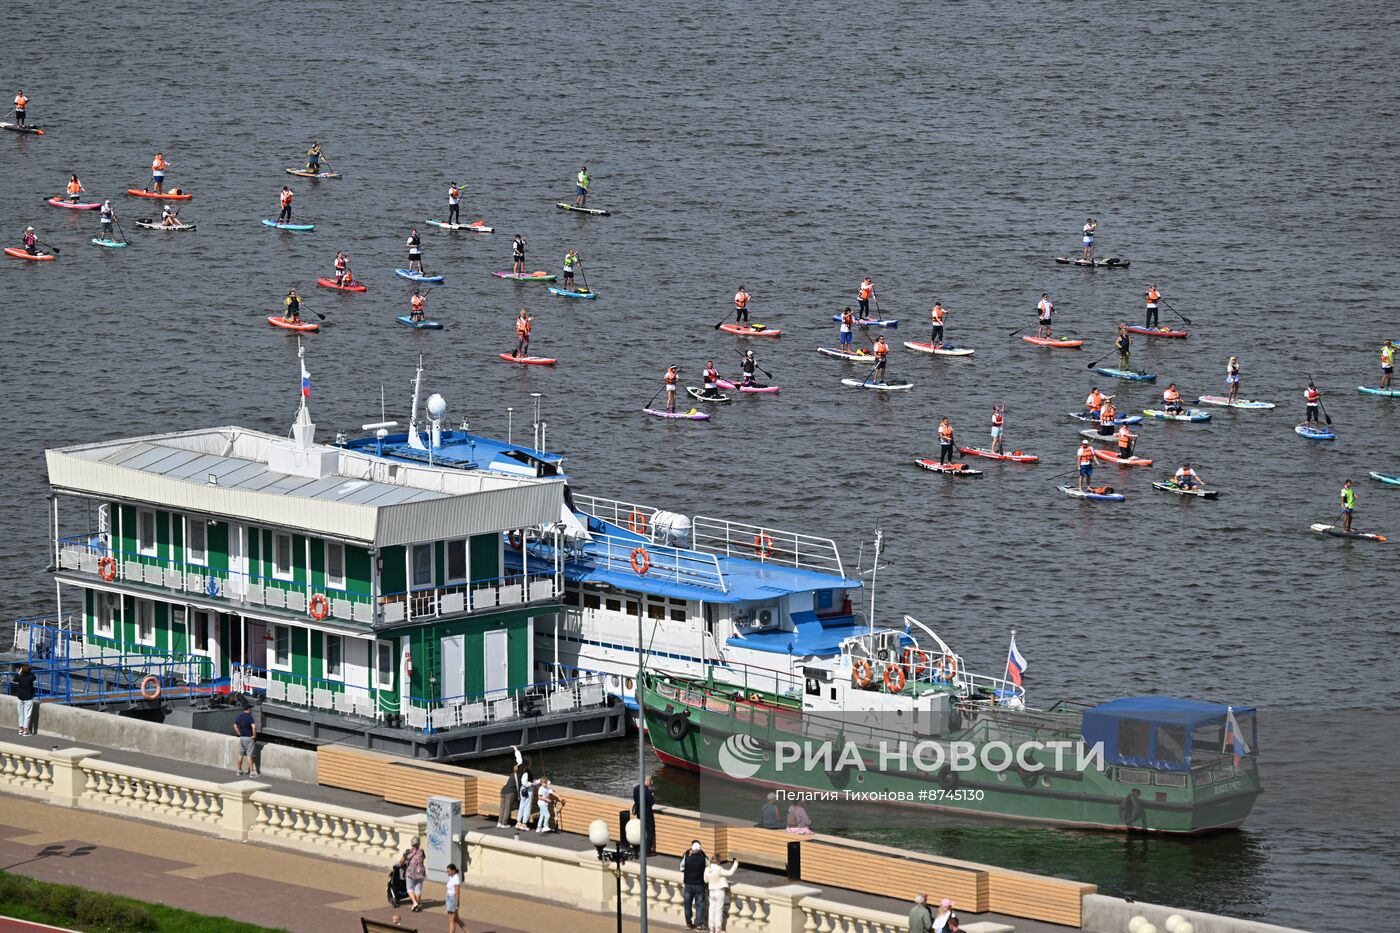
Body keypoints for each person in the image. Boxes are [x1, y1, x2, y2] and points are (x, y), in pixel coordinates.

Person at [704, 855, 740, 933]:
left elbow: (705, 880)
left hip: (711, 891)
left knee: (711, 910)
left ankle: (711, 929)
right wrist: (736, 863)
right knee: (718, 911)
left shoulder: (707, 869)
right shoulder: (718, 868)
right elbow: (730, 873)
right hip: (719, 891)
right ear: (717, 861)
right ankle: (717, 930)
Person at [679, 840, 708, 930]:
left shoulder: (686, 856)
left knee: (687, 905)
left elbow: (681, 868)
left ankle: (688, 924)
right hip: (699, 884)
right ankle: (699, 924)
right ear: (699, 849)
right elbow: (708, 866)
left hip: (688, 884)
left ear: (691, 848)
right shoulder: (703, 857)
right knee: (699, 905)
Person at [497, 746, 525, 828]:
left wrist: (515, 749)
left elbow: (519, 760)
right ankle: (504, 824)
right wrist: (516, 750)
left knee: (502, 807)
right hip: (510, 792)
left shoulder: (513, 774)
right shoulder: (520, 775)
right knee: (507, 808)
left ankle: (499, 822)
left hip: (503, 790)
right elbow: (520, 760)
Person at [400, 836, 427, 912]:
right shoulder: (421, 852)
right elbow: (422, 861)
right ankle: (417, 905)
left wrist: (403, 864)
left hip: (410, 872)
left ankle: (415, 903)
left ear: (411, 844)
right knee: (418, 889)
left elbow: (401, 861)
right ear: (419, 843)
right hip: (420, 871)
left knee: (410, 888)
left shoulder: (407, 852)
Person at [631, 776, 656, 855]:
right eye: (650, 782)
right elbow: (652, 802)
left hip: (639, 812)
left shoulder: (636, 788)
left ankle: (640, 848)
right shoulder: (647, 791)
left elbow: (635, 799)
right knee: (650, 831)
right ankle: (647, 852)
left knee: (641, 830)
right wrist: (652, 795)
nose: (651, 783)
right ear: (648, 781)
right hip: (647, 813)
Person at [233, 703, 258, 776]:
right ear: (249, 709)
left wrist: (239, 733)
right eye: (251, 708)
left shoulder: (240, 716)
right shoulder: (249, 717)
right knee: (249, 755)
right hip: (249, 738)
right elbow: (254, 726)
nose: (252, 710)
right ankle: (252, 772)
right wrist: (254, 735)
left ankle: (238, 770)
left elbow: (235, 725)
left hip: (242, 738)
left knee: (241, 754)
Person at [13, 663, 37, 736]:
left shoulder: (20, 676)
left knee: (20, 713)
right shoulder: (31, 676)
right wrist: (28, 671)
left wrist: (20, 672)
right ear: (29, 670)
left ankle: (20, 729)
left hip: (20, 697)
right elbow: (34, 677)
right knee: (27, 714)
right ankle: (25, 730)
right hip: (28, 697)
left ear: (22, 669)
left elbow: (14, 679)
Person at [444, 863, 463, 932]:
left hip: (452, 900)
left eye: (448, 871)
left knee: (451, 921)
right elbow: (449, 888)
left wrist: (457, 903)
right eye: (447, 871)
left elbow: (457, 892)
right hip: (449, 899)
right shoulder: (451, 877)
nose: (447, 873)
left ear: (453, 871)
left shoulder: (456, 878)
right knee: (456, 919)